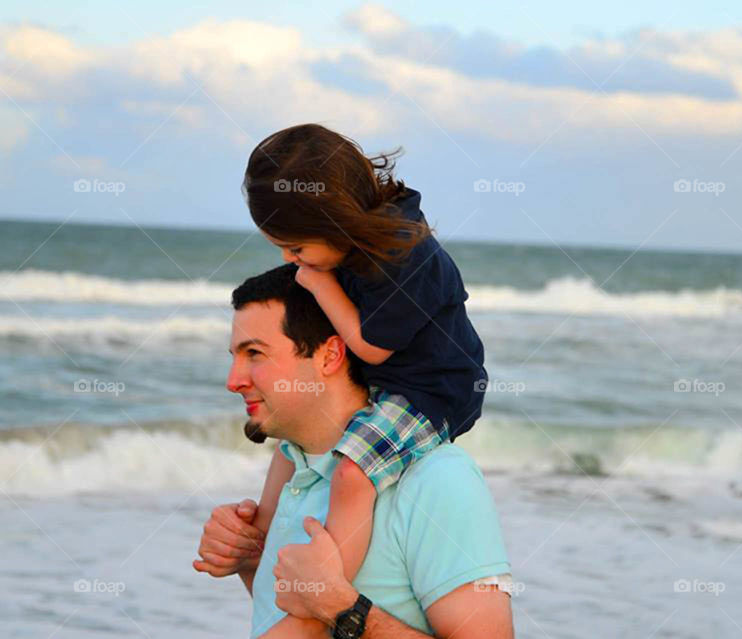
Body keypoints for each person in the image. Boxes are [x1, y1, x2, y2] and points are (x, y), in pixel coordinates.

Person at [194, 264, 514, 638]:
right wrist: (252, 562)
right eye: (234, 356)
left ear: (330, 356)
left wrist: (344, 608)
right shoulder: (292, 469)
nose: (233, 381)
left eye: (255, 354)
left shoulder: (438, 479)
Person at [240, 123, 488, 583]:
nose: (292, 260)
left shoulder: (403, 255)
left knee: (353, 470)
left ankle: (326, 585)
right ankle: (261, 535)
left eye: (296, 247)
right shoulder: (353, 241)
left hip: (432, 389)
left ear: (334, 221)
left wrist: (320, 282)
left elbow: (371, 348)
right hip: (392, 375)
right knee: (292, 442)